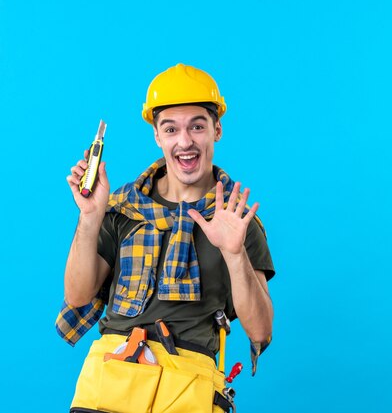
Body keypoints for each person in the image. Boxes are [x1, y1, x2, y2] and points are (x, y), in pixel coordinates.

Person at [56, 63, 275, 413]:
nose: (185, 141)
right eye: (171, 129)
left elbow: (261, 331)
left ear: (216, 130)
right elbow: (77, 294)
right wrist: (91, 215)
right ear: (157, 136)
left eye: (197, 127)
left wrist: (234, 254)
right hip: (108, 384)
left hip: (184, 392)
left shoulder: (237, 219)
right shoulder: (123, 208)